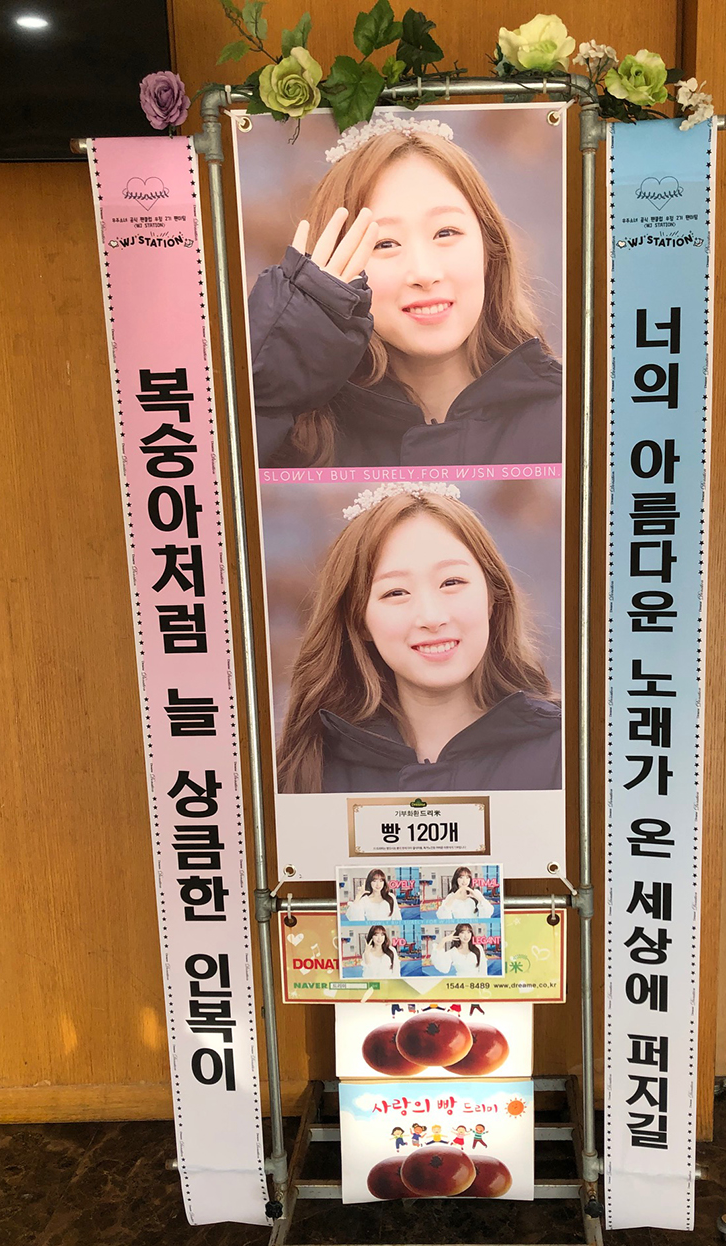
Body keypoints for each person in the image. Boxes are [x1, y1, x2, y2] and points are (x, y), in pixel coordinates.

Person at [248, 112, 562, 469]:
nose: (424, 273)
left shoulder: (575, 414)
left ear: (490, 250)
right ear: (334, 265)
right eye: (385, 243)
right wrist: (279, 370)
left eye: (446, 233)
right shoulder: (293, 432)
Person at [276, 484, 562, 794]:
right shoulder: (309, 768)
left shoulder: (568, 750)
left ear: (492, 598)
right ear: (360, 621)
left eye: (451, 582)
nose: (431, 617)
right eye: (396, 592)